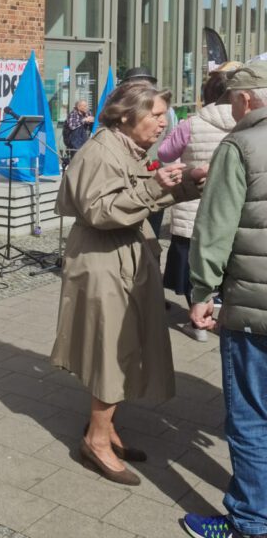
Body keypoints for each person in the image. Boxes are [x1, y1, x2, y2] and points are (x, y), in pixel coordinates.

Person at [50, 81, 204, 486]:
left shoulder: (128, 148)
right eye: (154, 115)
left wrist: (186, 183)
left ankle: (106, 429)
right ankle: (96, 440)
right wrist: (158, 185)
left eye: (162, 114)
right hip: (103, 262)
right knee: (111, 350)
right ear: (125, 115)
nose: (162, 122)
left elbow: (140, 196)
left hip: (123, 256)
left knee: (125, 345)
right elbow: (101, 211)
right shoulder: (101, 150)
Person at [183, 62, 267, 538]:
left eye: (234, 101)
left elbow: (213, 230)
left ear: (248, 100)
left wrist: (201, 291)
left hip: (253, 310)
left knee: (252, 417)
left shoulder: (240, 145)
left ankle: (251, 523)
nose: (233, 109)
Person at [158, 66, 239, 341]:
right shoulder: (249, 123)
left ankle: (198, 321)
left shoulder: (191, 123)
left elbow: (165, 152)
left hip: (194, 204)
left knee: (195, 263)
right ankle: (229, 318)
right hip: (235, 209)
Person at [121, 66, 177, 238]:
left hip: (149, 170)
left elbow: (170, 138)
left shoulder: (164, 110)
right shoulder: (123, 109)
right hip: (142, 170)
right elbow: (171, 141)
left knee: (148, 221)